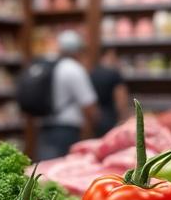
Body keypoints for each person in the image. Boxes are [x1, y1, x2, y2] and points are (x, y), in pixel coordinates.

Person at [38, 30, 98, 161]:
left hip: (45, 126)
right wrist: (95, 127)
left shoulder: (50, 66)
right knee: (62, 170)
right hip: (67, 130)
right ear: (77, 51)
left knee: (45, 170)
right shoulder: (74, 69)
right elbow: (88, 104)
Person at [91, 48, 131, 136]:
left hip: (97, 120)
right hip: (111, 119)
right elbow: (121, 100)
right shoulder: (114, 74)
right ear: (110, 55)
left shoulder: (92, 73)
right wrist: (124, 119)